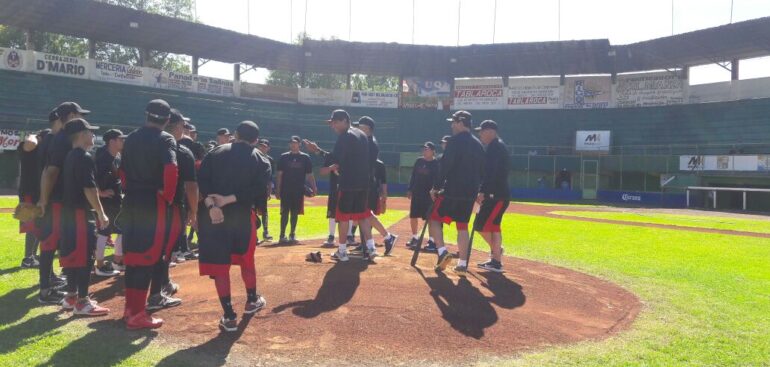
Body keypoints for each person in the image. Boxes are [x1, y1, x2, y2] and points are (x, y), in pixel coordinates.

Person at [197, 121, 270, 332]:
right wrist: (228, 199)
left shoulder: (215, 152)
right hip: (241, 217)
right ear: (256, 140)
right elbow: (259, 191)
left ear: (235, 134)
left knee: (220, 267)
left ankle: (229, 316)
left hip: (213, 217)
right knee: (247, 261)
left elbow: (202, 180)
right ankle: (251, 300)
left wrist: (212, 205)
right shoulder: (261, 159)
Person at [119, 99, 178, 330]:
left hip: (131, 201)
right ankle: (137, 314)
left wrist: (129, 189)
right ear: (167, 120)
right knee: (147, 258)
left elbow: (121, 170)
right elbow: (171, 169)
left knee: (133, 257)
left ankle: (130, 310)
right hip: (153, 203)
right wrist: (168, 195)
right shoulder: (166, 139)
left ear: (146, 115)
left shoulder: (131, 137)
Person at [144, 108, 198, 311]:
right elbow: (191, 186)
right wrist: (193, 211)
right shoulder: (181, 151)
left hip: (142, 205)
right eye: (183, 126)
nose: (184, 130)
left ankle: (163, 283)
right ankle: (156, 294)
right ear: (174, 126)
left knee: (151, 250)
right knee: (164, 251)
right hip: (170, 207)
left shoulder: (142, 144)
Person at [37, 102, 91, 304]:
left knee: (53, 243)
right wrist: (44, 199)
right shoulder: (62, 140)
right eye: (78, 114)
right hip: (58, 199)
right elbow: (50, 171)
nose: (81, 118)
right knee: (51, 243)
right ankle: (45, 291)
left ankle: (50, 285)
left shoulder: (55, 137)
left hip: (56, 198)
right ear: (69, 115)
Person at [58, 118, 111, 316]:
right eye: (90, 131)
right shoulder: (84, 157)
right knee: (84, 258)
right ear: (82, 134)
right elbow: (89, 188)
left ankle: (71, 296)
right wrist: (100, 211)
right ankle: (82, 301)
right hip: (80, 214)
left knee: (73, 256)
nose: (92, 135)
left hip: (68, 214)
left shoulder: (71, 155)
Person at [430, 110, 485, 277]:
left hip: (452, 190)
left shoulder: (454, 141)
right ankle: (462, 264)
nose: (452, 125)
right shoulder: (478, 144)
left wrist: (435, 187)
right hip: (470, 193)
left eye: (454, 122)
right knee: (462, 226)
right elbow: (483, 170)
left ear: (461, 123)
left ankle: (442, 252)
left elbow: (446, 165)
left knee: (434, 219)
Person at [320, 110, 373, 262]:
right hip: (363, 183)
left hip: (348, 183)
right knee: (362, 216)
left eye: (335, 122)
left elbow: (335, 160)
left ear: (344, 120)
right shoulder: (362, 135)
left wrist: (322, 158)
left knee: (343, 217)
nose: (333, 126)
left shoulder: (344, 137)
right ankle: (370, 248)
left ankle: (342, 251)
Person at [353, 117, 398, 255]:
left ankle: (380, 241)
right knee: (364, 215)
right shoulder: (367, 141)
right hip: (364, 182)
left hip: (366, 183)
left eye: (360, 127)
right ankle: (377, 243)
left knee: (364, 214)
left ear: (368, 129)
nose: (357, 129)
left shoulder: (369, 143)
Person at [473, 120, 510, 273]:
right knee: (494, 228)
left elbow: (491, 173)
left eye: (482, 131)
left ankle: (497, 254)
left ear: (491, 131)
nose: (480, 134)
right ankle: (496, 259)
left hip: (495, 195)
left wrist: (483, 191)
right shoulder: (497, 146)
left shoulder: (495, 147)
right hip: (498, 194)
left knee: (480, 225)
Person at [94, 129, 127, 277]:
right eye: (120, 139)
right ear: (112, 141)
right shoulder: (102, 157)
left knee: (121, 230)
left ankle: (117, 262)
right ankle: (100, 265)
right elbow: (90, 178)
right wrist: (100, 193)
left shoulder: (117, 156)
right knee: (104, 232)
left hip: (115, 200)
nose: (123, 141)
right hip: (106, 202)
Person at [18, 126, 50, 268]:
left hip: (37, 193)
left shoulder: (43, 152)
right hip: (29, 193)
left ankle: (32, 255)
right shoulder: (29, 147)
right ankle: (27, 258)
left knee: (38, 225)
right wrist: (35, 135)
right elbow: (30, 142)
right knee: (30, 226)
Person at [276, 136, 316, 244]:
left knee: (294, 213)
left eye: (295, 143)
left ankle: (292, 234)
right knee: (284, 212)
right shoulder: (283, 157)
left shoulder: (305, 158)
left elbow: (309, 174)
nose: (293, 145)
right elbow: (279, 174)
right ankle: (282, 235)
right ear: (289, 144)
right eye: (291, 143)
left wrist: (314, 187)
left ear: (299, 144)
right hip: (286, 189)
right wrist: (278, 190)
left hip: (298, 190)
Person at [302, 139, 339, 247]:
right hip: (334, 189)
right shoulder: (333, 156)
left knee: (349, 212)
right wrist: (331, 168)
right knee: (332, 212)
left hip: (349, 188)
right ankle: (331, 236)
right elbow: (322, 171)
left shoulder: (354, 156)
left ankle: (350, 236)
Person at [407, 142, 439, 251]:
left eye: (427, 149)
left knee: (430, 218)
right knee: (413, 216)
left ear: (433, 151)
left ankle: (431, 240)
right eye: (424, 149)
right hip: (417, 193)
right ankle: (415, 238)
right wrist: (410, 189)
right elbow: (413, 176)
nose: (424, 151)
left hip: (429, 195)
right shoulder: (419, 161)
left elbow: (438, 179)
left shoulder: (436, 163)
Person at [256, 139, 275, 242]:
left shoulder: (270, 160)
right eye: (261, 146)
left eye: (264, 146)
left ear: (268, 148)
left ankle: (266, 232)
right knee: (253, 211)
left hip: (263, 189)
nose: (262, 148)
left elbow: (270, 177)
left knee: (264, 211)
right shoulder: (252, 157)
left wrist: (269, 190)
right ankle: (254, 234)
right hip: (253, 189)